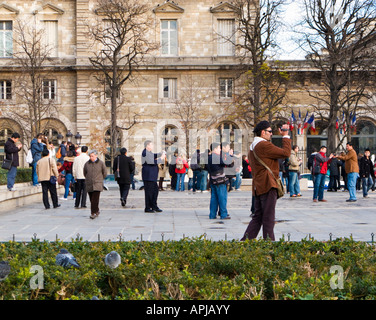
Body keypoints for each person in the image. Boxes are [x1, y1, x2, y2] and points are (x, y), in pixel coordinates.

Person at [241, 121, 291, 241]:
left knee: (258, 216)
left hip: (259, 185)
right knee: (268, 217)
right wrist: (285, 135)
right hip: (268, 184)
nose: (271, 134)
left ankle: (245, 242)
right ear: (263, 132)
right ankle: (269, 243)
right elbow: (286, 153)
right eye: (269, 131)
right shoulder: (263, 145)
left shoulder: (253, 146)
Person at [207, 142, 233, 220]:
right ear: (215, 149)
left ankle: (212, 214)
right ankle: (223, 214)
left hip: (213, 180)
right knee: (222, 198)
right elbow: (227, 163)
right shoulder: (216, 157)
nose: (220, 150)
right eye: (219, 148)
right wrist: (230, 155)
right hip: (220, 180)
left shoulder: (209, 157)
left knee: (214, 198)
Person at [141, 140, 166, 213]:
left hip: (152, 176)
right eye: (151, 145)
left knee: (155, 191)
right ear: (147, 146)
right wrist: (161, 158)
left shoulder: (149, 153)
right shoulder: (145, 153)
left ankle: (154, 206)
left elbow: (154, 155)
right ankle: (148, 207)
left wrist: (160, 154)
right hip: (148, 176)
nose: (152, 146)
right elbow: (152, 162)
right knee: (149, 192)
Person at [83, 149, 107, 219]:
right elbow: (85, 173)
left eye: (92, 156)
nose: (91, 158)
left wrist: (100, 178)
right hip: (89, 184)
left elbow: (104, 173)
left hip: (97, 184)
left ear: (96, 156)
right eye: (90, 156)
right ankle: (96, 210)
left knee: (95, 199)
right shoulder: (87, 164)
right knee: (91, 199)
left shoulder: (101, 163)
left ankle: (93, 213)